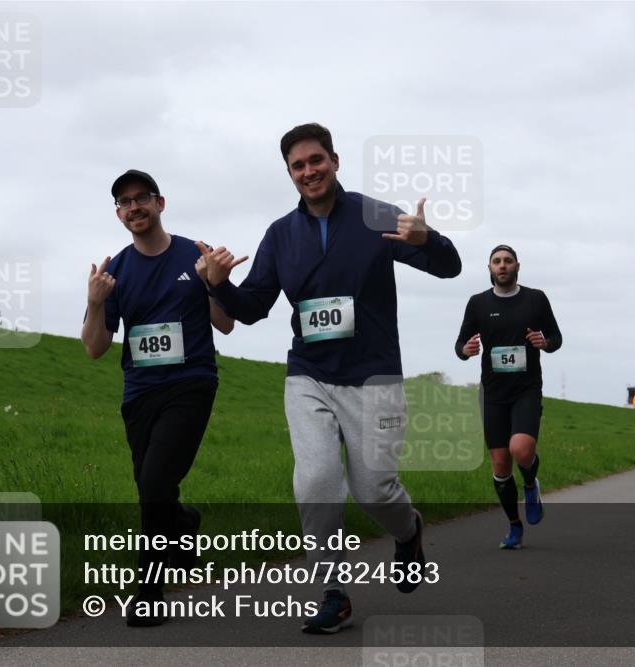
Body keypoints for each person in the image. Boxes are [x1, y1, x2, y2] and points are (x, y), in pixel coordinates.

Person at [200, 123, 462, 634]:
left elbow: (448, 268)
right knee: (316, 480)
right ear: (289, 174)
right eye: (298, 166)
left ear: (335, 161)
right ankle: (332, 592)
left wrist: (429, 238)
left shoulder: (374, 216)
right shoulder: (280, 234)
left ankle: (408, 533)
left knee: (374, 491)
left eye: (316, 160)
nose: (308, 171)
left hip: (374, 377)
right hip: (310, 375)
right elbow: (252, 309)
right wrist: (220, 285)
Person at [81, 170, 235, 626]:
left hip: (191, 384)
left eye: (141, 199)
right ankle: (183, 524)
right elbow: (94, 348)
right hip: (139, 393)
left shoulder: (194, 254)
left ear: (160, 203)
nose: (134, 208)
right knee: (153, 487)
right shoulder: (116, 272)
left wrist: (215, 282)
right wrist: (93, 303)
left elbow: (226, 324)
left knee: (153, 484)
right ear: (119, 213)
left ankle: (148, 592)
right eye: (124, 202)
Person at [455, 245, 562, 548]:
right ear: (489, 268)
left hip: (526, 389)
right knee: (500, 466)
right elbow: (460, 343)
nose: (502, 266)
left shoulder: (535, 299)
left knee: (521, 450)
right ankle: (514, 527)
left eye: (507, 261)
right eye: (497, 261)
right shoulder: (477, 303)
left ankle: (530, 482)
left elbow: (556, 338)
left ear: (517, 266)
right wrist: (466, 350)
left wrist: (545, 342)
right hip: (493, 393)